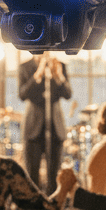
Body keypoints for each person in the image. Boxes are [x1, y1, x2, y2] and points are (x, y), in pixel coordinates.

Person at [19, 52, 72, 194]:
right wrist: (38, 73)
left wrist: (59, 76)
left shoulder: (59, 65)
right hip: (33, 127)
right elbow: (22, 94)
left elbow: (68, 94)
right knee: (32, 175)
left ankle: (53, 204)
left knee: (54, 176)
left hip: (55, 126)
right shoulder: (25, 67)